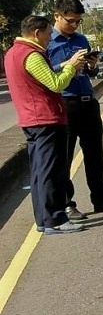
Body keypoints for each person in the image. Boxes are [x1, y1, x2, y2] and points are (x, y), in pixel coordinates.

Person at [3, 14, 89, 234]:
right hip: (46, 119)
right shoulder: (31, 55)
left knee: (40, 172)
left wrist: (66, 64)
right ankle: (56, 219)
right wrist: (71, 68)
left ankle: (44, 219)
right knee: (52, 172)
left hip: (32, 120)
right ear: (36, 33)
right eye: (48, 33)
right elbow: (55, 83)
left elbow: (40, 75)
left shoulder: (14, 52)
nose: (50, 38)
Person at [48, 0, 103, 221]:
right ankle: (67, 204)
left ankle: (101, 199)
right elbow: (44, 73)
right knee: (65, 159)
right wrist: (68, 63)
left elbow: (90, 73)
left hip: (87, 102)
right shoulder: (48, 43)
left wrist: (92, 66)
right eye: (70, 21)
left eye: (78, 22)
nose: (74, 26)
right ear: (57, 16)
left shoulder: (81, 39)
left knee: (95, 156)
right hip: (64, 104)